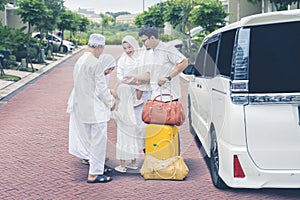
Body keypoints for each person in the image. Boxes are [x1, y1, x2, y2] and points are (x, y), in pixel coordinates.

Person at [67, 33, 115, 183]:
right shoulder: (95, 63)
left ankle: (96, 167)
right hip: (95, 109)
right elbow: (101, 89)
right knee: (97, 142)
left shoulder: (80, 60)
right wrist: (111, 102)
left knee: (90, 141)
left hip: (82, 107)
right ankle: (94, 173)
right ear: (99, 47)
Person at [124, 25, 189, 102]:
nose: (143, 44)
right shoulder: (151, 52)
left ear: (152, 38)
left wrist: (168, 77)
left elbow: (184, 62)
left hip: (169, 97)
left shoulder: (167, 48)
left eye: (144, 40)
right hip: (155, 96)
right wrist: (135, 77)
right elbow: (149, 75)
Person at [78, 53, 116, 166]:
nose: (109, 72)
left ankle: (94, 158)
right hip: (88, 107)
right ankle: (90, 159)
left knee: (94, 135)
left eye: (112, 70)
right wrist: (111, 102)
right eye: (109, 69)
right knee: (92, 134)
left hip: (93, 107)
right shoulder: (95, 72)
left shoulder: (103, 74)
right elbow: (100, 91)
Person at [117, 35, 152, 152]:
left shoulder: (143, 56)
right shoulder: (122, 60)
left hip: (144, 92)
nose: (128, 50)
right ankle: (137, 148)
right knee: (133, 123)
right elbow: (120, 76)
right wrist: (129, 80)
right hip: (130, 94)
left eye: (130, 47)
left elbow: (147, 74)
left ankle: (148, 147)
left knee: (145, 121)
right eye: (125, 48)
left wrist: (138, 80)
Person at [111, 84, 139, 173]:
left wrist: (113, 112)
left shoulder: (122, 104)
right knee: (132, 143)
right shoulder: (130, 102)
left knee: (123, 144)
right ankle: (133, 163)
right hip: (132, 128)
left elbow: (121, 116)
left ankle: (122, 166)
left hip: (124, 129)